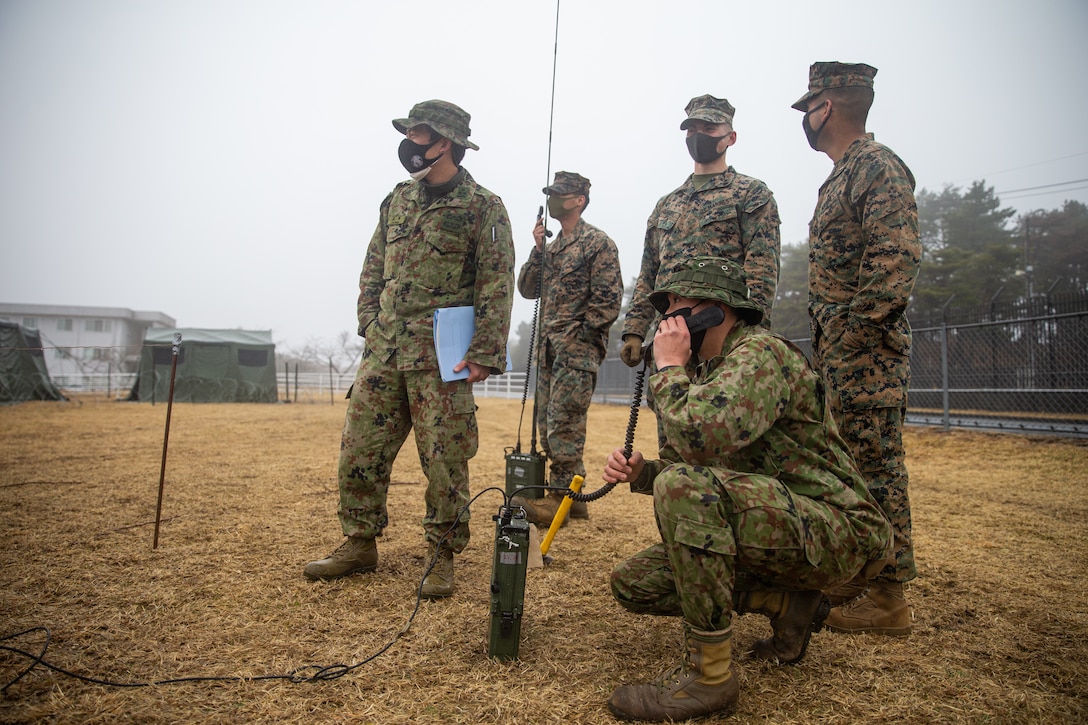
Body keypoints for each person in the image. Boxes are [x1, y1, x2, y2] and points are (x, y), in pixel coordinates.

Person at [601, 257, 892, 722]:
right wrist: (643, 473)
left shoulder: (759, 354)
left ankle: (710, 677)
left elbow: (701, 440)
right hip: (782, 523)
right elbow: (697, 469)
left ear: (714, 309)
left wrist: (669, 367)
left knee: (680, 488)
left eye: (677, 304)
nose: (667, 318)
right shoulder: (706, 371)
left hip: (839, 530)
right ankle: (787, 603)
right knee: (634, 584)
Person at [303, 100, 515, 599]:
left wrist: (485, 350)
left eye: (419, 135)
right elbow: (373, 266)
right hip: (385, 351)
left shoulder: (483, 206)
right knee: (360, 449)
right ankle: (359, 541)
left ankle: (441, 556)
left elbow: (496, 281)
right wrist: (369, 324)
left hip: (442, 359)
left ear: (445, 143)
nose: (410, 144)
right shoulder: (397, 199)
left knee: (444, 458)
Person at [794, 62, 922, 635]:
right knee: (851, 466)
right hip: (844, 357)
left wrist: (853, 337)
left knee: (876, 467)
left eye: (810, 106)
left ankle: (890, 599)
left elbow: (895, 260)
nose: (806, 118)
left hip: (865, 357)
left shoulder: (877, 168)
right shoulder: (845, 174)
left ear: (830, 106)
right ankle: (864, 572)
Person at [620, 93, 781, 373]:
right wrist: (634, 330)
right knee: (671, 413)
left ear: (730, 137)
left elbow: (762, 271)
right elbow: (649, 275)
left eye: (709, 129)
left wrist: (752, 337)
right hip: (672, 342)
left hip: (724, 344)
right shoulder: (667, 204)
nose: (699, 136)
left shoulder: (751, 194)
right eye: (693, 130)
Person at [510, 171, 623, 526]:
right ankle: (573, 500)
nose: (553, 199)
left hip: (576, 351)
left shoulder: (598, 243)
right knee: (548, 423)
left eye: (561, 194)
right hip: (548, 351)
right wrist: (539, 248)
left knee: (564, 424)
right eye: (551, 193)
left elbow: (608, 301)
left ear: (579, 200)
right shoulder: (554, 247)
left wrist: (582, 338)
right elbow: (528, 289)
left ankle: (560, 497)